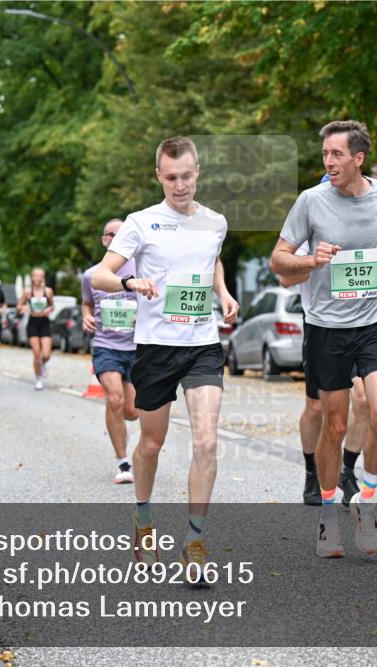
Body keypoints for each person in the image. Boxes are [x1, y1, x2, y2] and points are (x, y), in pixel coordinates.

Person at [270, 120, 377, 559]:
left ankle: (366, 501)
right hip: (327, 328)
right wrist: (310, 260)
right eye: (325, 154)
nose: (328, 161)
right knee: (334, 425)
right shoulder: (311, 201)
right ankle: (327, 516)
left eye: (336, 154)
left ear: (359, 158)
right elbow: (278, 260)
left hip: (374, 322)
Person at [93, 136, 239, 586]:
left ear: (198, 173)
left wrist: (223, 292)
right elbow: (101, 274)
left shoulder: (215, 221)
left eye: (187, 176)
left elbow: (211, 261)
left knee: (207, 441)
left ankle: (194, 543)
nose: (180, 185)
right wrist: (130, 283)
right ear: (159, 175)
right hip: (156, 347)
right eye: (171, 177)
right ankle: (143, 517)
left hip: (202, 344)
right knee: (151, 443)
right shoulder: (141, 223)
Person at [279, 239, 370, 507]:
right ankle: (313, 473)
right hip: (321, 327)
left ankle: (347, 471)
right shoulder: (309, 234)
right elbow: (286, 279)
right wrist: (315, 263)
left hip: (360, 325)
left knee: (364, 399)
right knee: (317, 407)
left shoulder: (362, 229)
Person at [82, 218, 139, 484]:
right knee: (114, 400)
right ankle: (123, 462)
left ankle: (121, 428)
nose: (116, 238)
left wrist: (143, 316)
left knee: (132, 411)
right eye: (111, 234)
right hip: (106, 346)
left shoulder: (142, 269)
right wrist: (86, 316)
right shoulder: (91, 275)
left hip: (137, 348)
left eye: (121, 233)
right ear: (104, 240)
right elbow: (86, 303)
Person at [17, 267, 54, 390]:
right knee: (36, 352)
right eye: (36, 275)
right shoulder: (28, 292)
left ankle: (42, 364)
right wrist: (23, 308)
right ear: (32, 277)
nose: (38, 278)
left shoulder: (48, 291)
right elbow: (19, 305)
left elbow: (52, 305)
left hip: (44, 322)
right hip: (32, 322)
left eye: (41, 276)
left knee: (46, 354)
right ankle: (38, 379)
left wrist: (49, 309)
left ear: (43, 278)